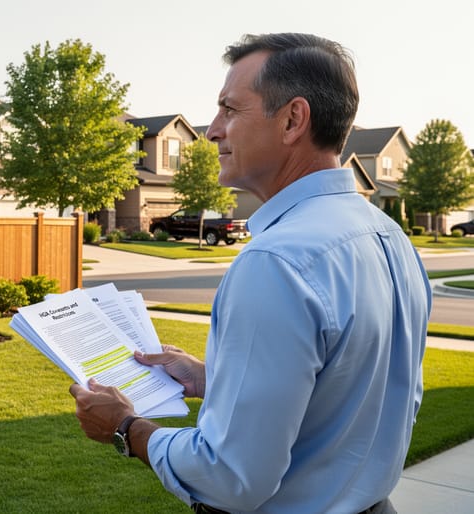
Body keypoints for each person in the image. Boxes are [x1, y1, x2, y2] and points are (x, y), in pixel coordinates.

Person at [69, 33, 431, 514]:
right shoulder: (389, 237)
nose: (213, 130)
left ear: (292, 120)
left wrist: (126, 429)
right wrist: (215, 377)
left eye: (230, 110)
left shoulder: (277, 262)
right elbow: (367, 393)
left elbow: (230, 477)